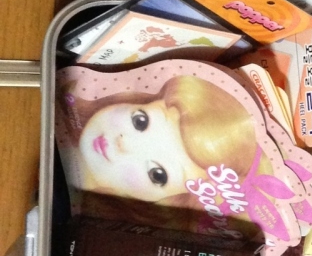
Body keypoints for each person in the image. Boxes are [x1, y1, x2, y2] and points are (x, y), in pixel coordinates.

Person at [57, 73, 259, 205]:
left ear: (172, 200)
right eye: (140, 122)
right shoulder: (58, 103)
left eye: (157, 174)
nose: (123, 143)